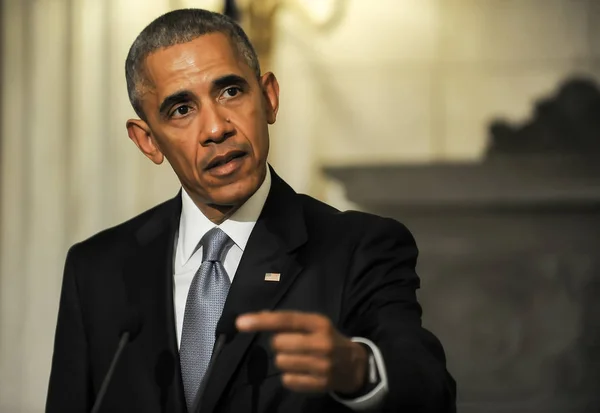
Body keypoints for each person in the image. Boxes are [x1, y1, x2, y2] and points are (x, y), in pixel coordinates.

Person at [46, 8, 456, 413]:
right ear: (148, 141)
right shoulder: (97, 269)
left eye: (231, 91)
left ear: (269, 99)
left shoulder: (359, 248)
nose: (215, 129)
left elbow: (428, 389)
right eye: (181, 110)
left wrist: (360, 370)